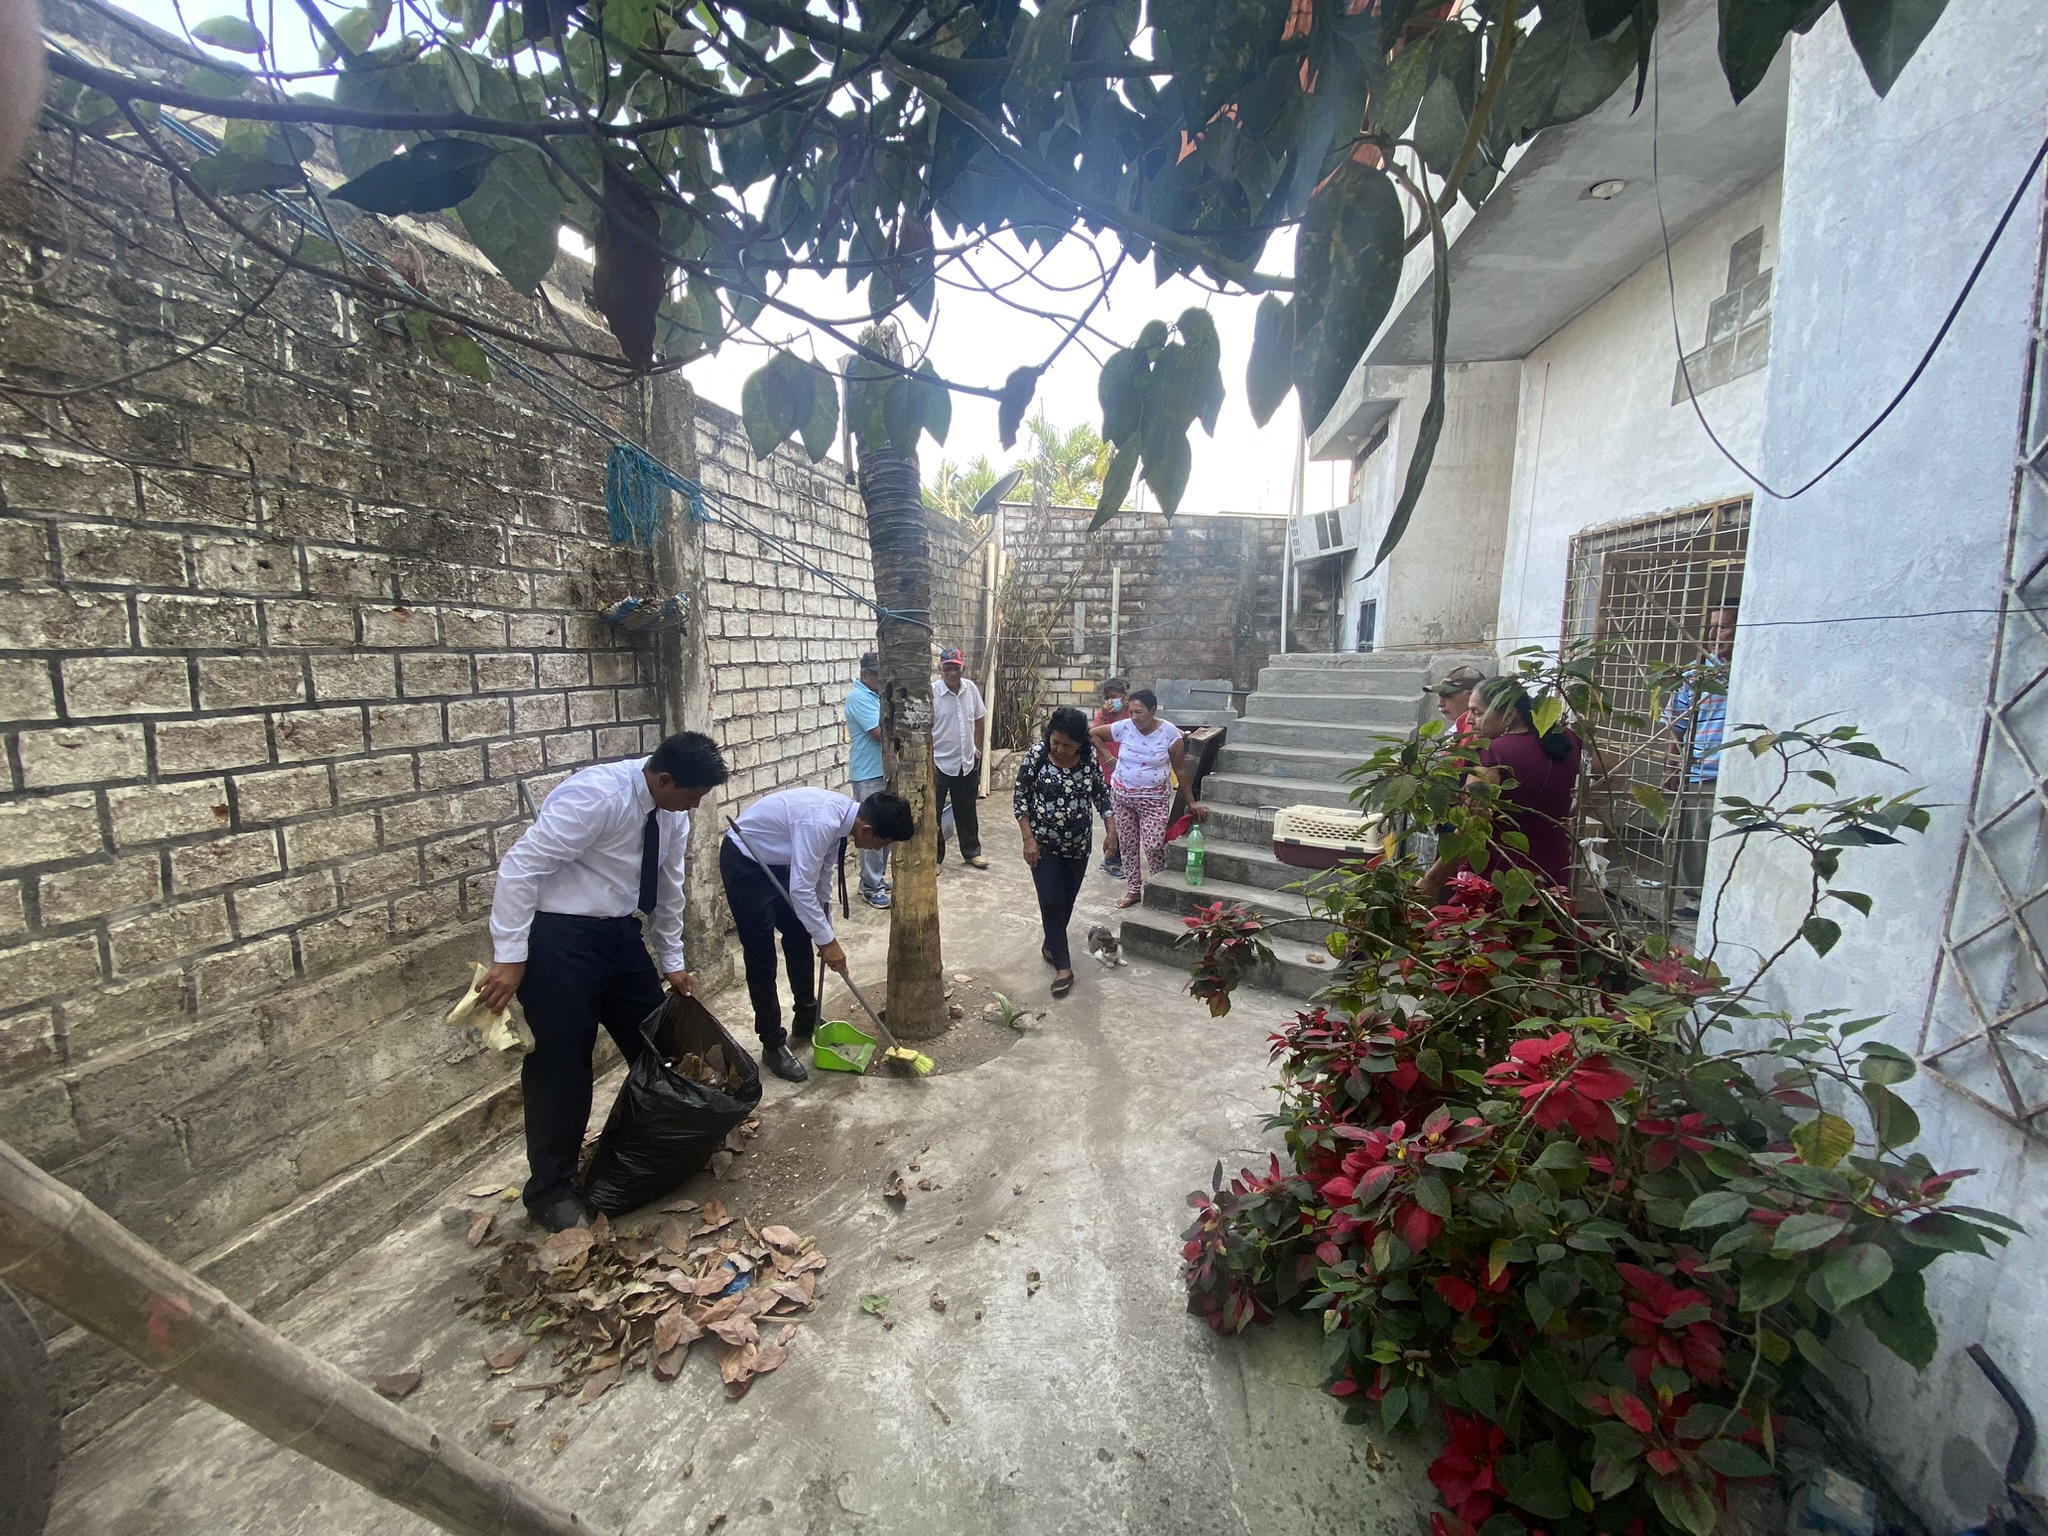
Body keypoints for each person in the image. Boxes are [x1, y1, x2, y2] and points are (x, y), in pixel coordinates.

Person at [478, 731, 728, 1232]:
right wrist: (510, 956)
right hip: (559, 938)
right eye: (692, 796)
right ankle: (550, 1191)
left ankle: (662, 1144)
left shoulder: (672, 813)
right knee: (562, 1063)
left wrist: (672, 958)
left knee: (655, 1042)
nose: (695, 806)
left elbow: (669, 884)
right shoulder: (597, 796)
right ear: (664, 780)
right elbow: (522, 867)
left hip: (619, 932)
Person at [721, 786, 916, 1083]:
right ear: (866, 830)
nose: (878, 850)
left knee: (800, 936)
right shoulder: (821, 822)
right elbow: (801, 890)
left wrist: (825, 931)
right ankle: (772, 1043)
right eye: (882, 843)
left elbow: (821, 879)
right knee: (761, 954)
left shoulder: (843, 822)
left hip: (782, 861)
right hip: (747, 859)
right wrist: (828, 941)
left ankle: (805, 1017)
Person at [1420, 677, 1583, 900]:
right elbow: (1615, 771)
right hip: (1553, 872)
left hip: (1497, 877)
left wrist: (1432, 880)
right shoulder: (1567, 740)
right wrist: (1573, 811)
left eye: (1477, 712)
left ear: (1509, 715)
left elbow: (1471, 829)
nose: (1470, 719)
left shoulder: (1493, 753)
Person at [1015, 707, 1119, 999]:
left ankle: (1051, 946)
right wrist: (1028, 839)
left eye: (1067, 745)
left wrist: (1111, 831)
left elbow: (1101, 796)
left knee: (1066, 902)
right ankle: (1063, 967)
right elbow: (1020, 798)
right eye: (1056, 742)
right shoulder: (1037, 756)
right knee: (1052, 901)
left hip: (1077, 846)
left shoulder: (1088, 759)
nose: (1060, 749)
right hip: (1043, 845)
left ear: (1079, 744)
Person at [1090, 688, 1202, 909]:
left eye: (1139, 712)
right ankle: (1133, 890)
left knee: (1153, 846)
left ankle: (1156, 890)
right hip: (1122, 797)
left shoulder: (1170, 733)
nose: (1134, 717)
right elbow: (1094, 733)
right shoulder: (1125, 727)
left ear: (1153, 710)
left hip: (1154, 800)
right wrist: (1109, 758)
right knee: (1128, 846)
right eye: (1131, 712)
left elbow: (1180, 769)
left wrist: (1191, 801)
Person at [1664, 605, 1736, 916]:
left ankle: (1729, 901)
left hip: (1738, 771)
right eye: (1711, 627)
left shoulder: (1752, 669)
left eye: (1723, 627)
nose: (1714, 635)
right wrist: (1673, 766)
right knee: (1695, 838)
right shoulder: (1696, 673)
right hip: (1702, 769)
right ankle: (1695, 900)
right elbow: (1675, 724)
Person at [932, 645, 988, 868]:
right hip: (939, 762)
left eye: (955, 668)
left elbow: (979, 718)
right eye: (947, 668)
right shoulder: (932, 693)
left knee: (967, 809)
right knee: (934, 813)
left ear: (962, 668)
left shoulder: (970, 689)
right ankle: (935, 859)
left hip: (966, 761)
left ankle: (972, 852)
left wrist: (977, 748)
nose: (952, 673)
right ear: (940, 669)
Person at [844, 652, 891, 909]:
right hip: (868, 774)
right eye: (877, 675)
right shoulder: (859, 697)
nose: (882, 680)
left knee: (885, 829)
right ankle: (871, 886)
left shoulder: (875, 696)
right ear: (865, 675)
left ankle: (876, 879)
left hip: (880, 772)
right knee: (872, 830)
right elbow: (879, 733)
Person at [1092, 678, 1130, 879]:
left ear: (1124, 696)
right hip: (1108, 774)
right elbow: (1091, 735)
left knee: (1126, 821)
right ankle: (1110, 859)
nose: (1110, 701)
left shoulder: (1132, 713)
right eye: (1107, 698)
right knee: (1114, 820)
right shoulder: (1104, 715)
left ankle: (1118, 858)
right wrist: (1105, 715)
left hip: (1129, 773)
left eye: (1114, 697)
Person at [1427, 665, 1487, 739]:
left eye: (1448, 696)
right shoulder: (1460, 730)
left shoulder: (1480, 733)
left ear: (1472, 696)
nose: (1440, 703)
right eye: (1440, 696)